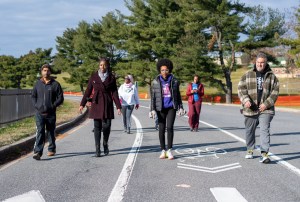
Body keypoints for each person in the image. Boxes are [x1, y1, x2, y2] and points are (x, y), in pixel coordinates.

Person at [238, 52, 279, 164]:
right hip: (250, 109)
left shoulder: (272, 77)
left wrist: (266, 104)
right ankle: (250, 149)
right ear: (255, 62)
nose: (260, 65)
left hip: (266, 109)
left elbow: (275, 93)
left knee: (264, 129)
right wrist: (246, 100)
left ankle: (264, 154)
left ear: (266, 63)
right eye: (258, 62)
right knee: (249, 130)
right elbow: (241, 89)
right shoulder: (247, 74)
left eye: (262, 63)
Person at [79, 58, 121, 157]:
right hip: (96, 102)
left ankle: (105, 143)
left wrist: (118, 106)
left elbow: (114, 93)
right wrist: (82, 103)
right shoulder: (93, 76)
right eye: (101, 65)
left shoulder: (111, 77)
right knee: (97, 126)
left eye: (105, 65)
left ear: (107, 66)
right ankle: (97, 149)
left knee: (107, 126)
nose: (102, 67)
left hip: (107, 102)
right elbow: (88, 91)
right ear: (99, 66)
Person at [150, 58, 186, 160]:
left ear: (169, 70)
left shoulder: (174, 81)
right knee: (161, 129)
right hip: (160, 108)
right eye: (162, 70)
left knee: (170, 128)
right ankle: (163, 150)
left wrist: (181, 107)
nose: (164, 72)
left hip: (171, 107)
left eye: (166, 70)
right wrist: (152, 109)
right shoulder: (156, 82)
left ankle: (169, 150)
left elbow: (177, 95)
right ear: (159, 71)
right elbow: (153, 97)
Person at [31, 64, 64, 160]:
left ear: (50, 72)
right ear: (41, 72)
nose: (46, 72)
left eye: (47, 70)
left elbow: (60, 98)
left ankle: (51, 149)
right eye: (44, 70)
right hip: (39, 113)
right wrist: (36, 105)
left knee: (50, 131)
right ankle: (38, 152)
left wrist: (53, 105)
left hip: (51, 113)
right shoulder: (37, 84)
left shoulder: (55, 84)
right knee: (40, 131)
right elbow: (33, 96)